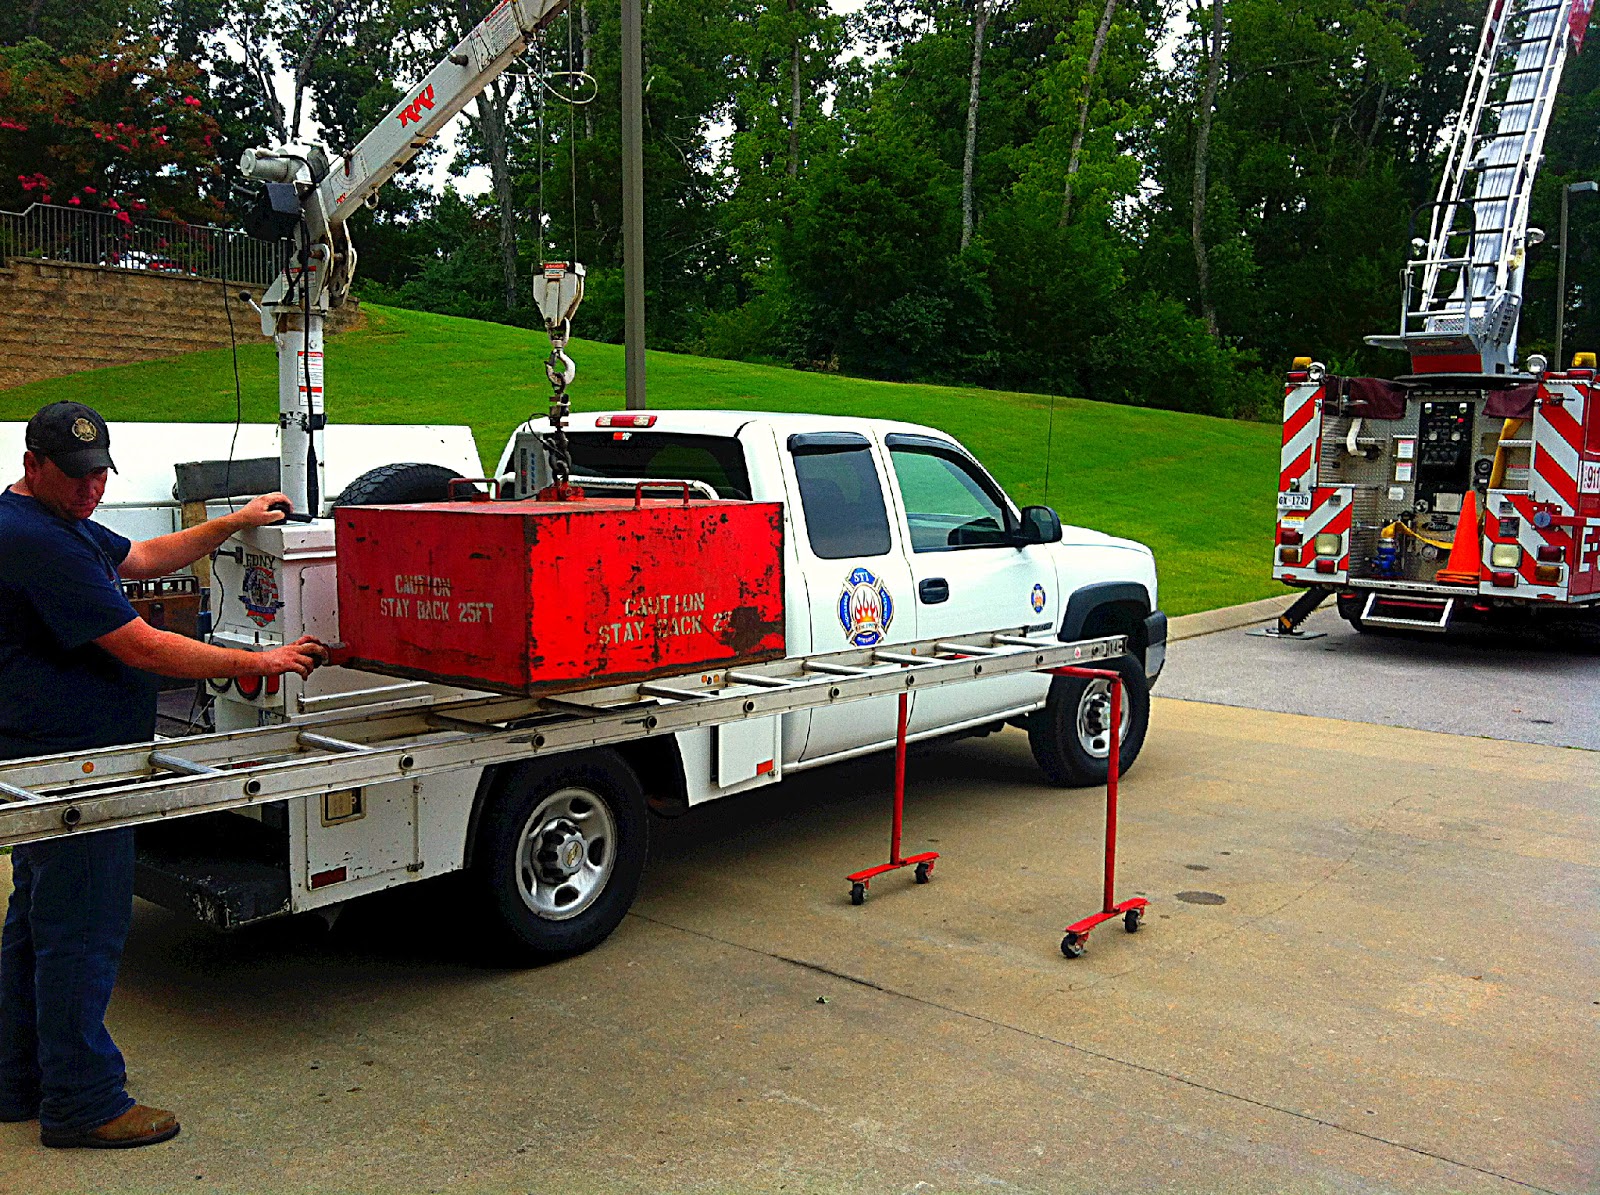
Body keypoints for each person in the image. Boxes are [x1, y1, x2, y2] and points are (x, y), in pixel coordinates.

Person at [0, 401, 324, 1149]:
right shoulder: (31, 539)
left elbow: (141, 559)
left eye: (98, 476)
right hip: (78, 769)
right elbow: (143, 647)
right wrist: (261, 661)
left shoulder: (55, 520)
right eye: (76, 478)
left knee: (36, 925)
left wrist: (232, 522)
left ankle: (16, 1077)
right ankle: (83, 1102)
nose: (91, 491)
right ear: (33, 464)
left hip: (56, 758)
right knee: (81, 930)